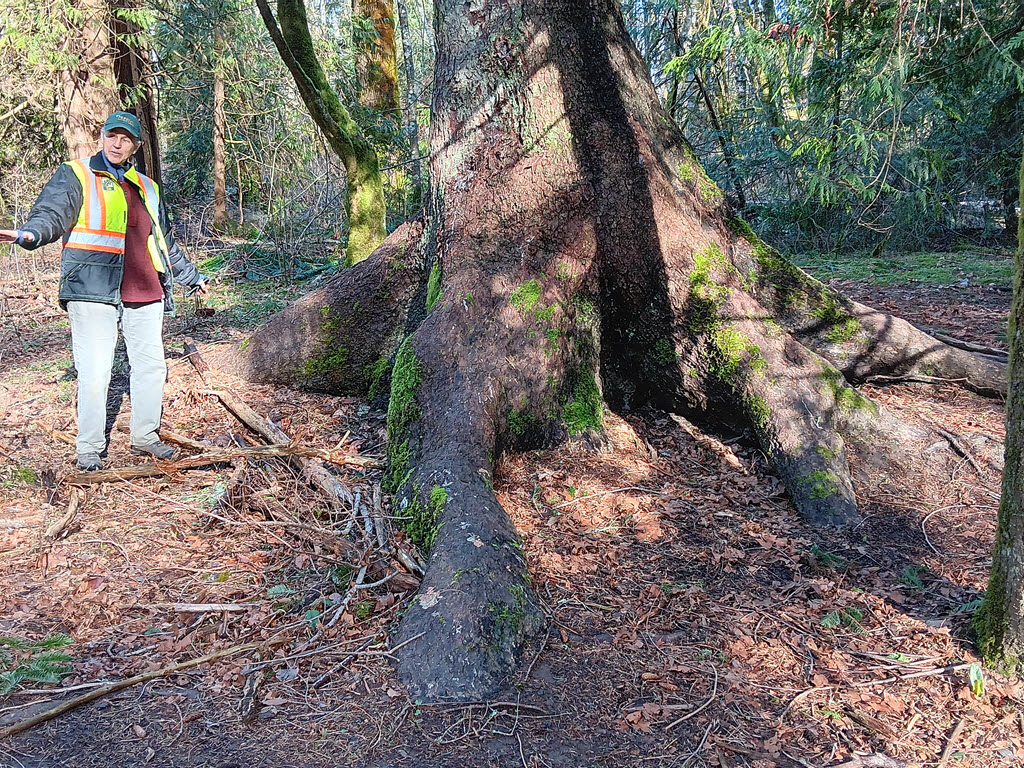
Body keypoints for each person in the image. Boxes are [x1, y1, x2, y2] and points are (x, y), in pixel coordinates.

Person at [0, 111, 208, 471]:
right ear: (101, 136)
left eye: (125, 139)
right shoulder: (76, 173)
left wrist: (191, 277)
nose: (117, 143)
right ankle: (90, 448)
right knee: (96, 370)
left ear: (136, 147)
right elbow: (52, 213)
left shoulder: (147, 186)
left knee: (151, 368)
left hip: (145, 289)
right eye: (112, 135)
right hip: (91, 289)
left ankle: (145, 437)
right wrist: (30, 235)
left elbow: (165, 241)